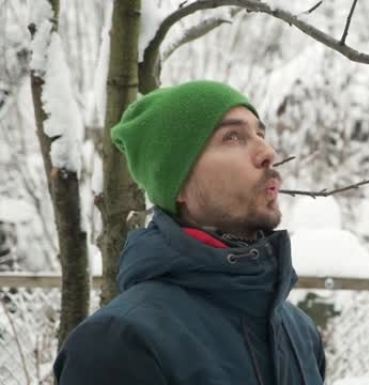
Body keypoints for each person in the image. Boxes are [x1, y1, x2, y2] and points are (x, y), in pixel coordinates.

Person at [53, 80, 326, 385]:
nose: (268, 152)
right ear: (178, 183)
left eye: (260, 134)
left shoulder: (300, 333)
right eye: (232, 137)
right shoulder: (118, 343)